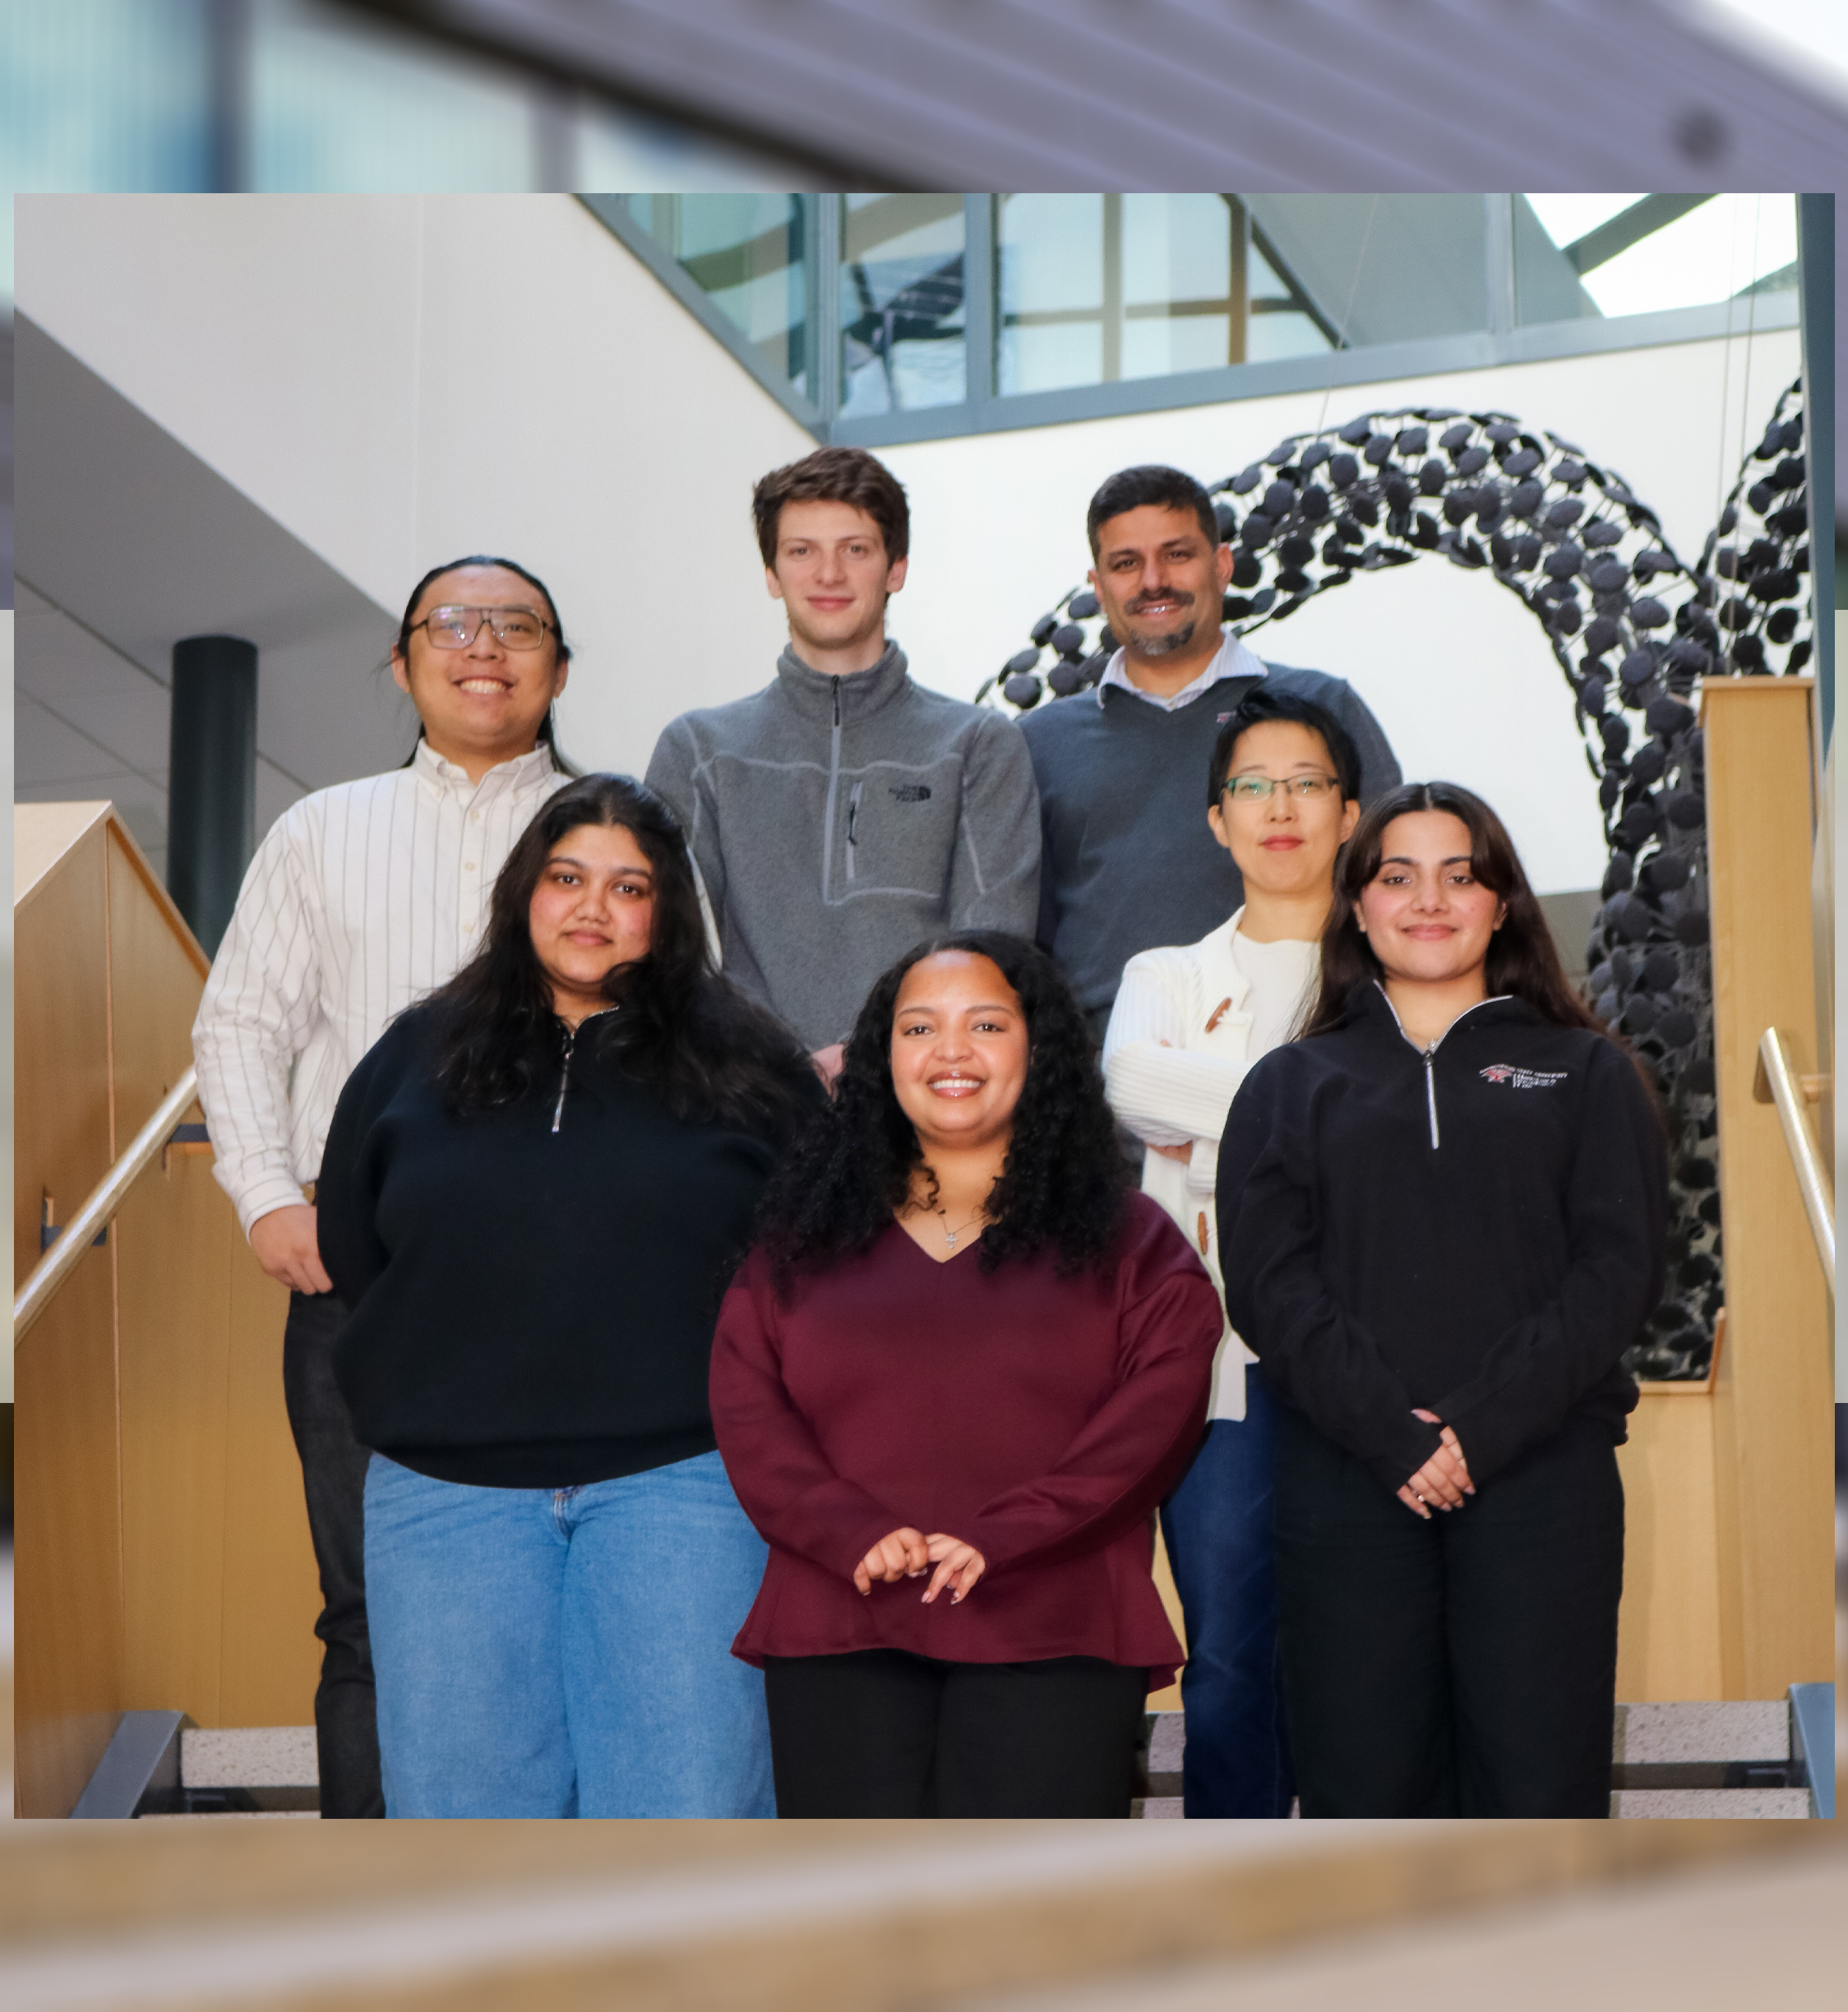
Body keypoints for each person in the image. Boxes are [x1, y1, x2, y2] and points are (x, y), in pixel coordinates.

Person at [312, 773, 815, 1818]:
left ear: (668, 912)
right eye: (567, 876)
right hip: (446, 1499)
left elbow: (815, 1265)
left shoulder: (751, 1063)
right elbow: (354, 1246)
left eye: (629, 887)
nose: (593, 907)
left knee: (689, 1812)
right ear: (523, 893)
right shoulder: (417, 1053)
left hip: (684, 1489)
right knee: (464, 1831)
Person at [190, 556, 575, 1818]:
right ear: (403, 664)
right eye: (453, 625)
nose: (486, 647)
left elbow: (692, 1037)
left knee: (567, 1605)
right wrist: (263, 1195)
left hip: (581, 1276)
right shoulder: (320, 830)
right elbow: (241, 1022)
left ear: (558, 670)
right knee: (367, 1611)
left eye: (517, 627)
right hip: (367, 1274)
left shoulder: (615, 835)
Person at [1217, 782, 1667, 1817]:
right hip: (1348, 1487)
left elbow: (1616, 1273)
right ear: (1359, 906)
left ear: (1503, 902)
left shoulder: (1588, 1073)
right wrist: (1396, 1438)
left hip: (1543, 1483)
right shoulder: (1288, 1086)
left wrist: (1475, 1430)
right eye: (1398, 876)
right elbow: (1272, 1289)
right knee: (1364, 1793)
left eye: (1461, 876)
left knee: (1539, 1791)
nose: (1430, 900)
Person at [710, 931, 1221, 1817]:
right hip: (841, 1619)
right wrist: (848, 1529)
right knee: (850, 1935)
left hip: (1053, 1625)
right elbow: (749, 1404)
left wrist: (1007, 1534)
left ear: (1040, 1049)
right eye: (920, 1028)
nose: (951, 1051)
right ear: (883, 1058)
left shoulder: (1133, 1240)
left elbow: (1154, 1422)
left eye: (986, 1023)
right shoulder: (803, 1237)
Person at [1098, 684, 1363, 1820]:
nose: (1279, 807)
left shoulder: (1396, 971)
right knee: (1229, 1664)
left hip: (1369, 1363)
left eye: (1306, 783)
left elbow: (1403, 1146)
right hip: (1221, 1377)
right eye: (1252, 786)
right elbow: (1133, 1087)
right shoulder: (1166, 976)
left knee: (1363, 1663)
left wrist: (1223, 1144)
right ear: (1217, 821)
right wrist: (1331, 1119)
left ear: (1352, 812)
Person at [646, 445, 1042, 1067]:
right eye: (802, 551)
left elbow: (993, 954)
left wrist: (869, 1066)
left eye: (854, 550)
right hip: (745, 1104)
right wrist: (784, 1072)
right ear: (772, 573)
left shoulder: (978, 746)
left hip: (923, 1097)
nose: (828, 575)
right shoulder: (698, 750)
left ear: (896, 568)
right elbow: (670, 954)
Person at [1019, 464, 1402, 1039]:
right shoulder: (1038, 742)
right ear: (1098, 587)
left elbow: (1390, 883)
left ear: (1221, 565)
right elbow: (1027, 940)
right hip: (1106, 1088)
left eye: (1177, 554)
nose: (1153, 581)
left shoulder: (1322, 707)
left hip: (1305, 1058)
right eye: (1126, 564)